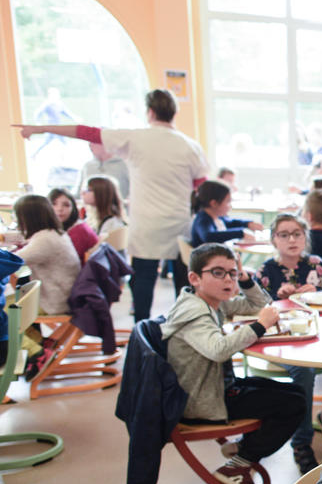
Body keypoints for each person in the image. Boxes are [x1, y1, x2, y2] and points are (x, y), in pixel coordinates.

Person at [16, 88, 210, 322]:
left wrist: (41, 129)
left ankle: (142, 328)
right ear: (174, 113)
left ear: (149, 112)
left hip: (146, 224)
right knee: (183, 282)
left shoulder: (135, 137)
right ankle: (187, 327)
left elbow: (87, 132)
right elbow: (201, 186)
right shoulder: (191, 146)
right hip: (179, 223)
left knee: (144, 280)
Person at [160, 243, 306, 484]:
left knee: (294, 391)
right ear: (194, 278)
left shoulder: (206, 300)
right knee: (294, 404)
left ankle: (242, 450)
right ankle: (239, 464)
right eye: (218, 272)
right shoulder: (194, 312)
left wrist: (246, 279)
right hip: (203, 401)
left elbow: (259, 304)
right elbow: (218, 350)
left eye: (232, 272)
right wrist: (261, 325)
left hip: (214, 387)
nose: (228, 279)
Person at [257, 214, 322, 472]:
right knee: (303, 372)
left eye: (297, 233)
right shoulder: (265, 271)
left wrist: (319, 293)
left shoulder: (317, 265)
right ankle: (301, 442)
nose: (292, 239)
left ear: (306, 237)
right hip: (284, 342)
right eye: (284, 234)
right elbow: (252, 310)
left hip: (321, 335)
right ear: (274, 240)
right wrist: (276, 299)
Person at [13, 194, 80, 315]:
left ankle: (29, 334)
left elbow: (12, 261)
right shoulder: (55, 233)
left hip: (55, 302)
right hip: (67, 295)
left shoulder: (44, 240)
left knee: (8, 304)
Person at [190, 179, 262, 247]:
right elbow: (208, 236)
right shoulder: (202, 219)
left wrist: (248, 224)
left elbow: (231, 223)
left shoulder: (217, 218)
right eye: (228, 202)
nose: (230, 205)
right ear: (214, 203)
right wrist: (240, 233)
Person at [48, 188, 99, 264]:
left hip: (77, 274)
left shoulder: (79, 230)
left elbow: (63, 262)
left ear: (73, 208)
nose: (59, 209)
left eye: (66, 205)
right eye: (54, 204)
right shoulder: (60, 228)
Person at [82, 175, 127, 242]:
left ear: (101, 194)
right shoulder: (92, 217)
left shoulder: (111, 223)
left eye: (89, 190)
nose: (83, 193)